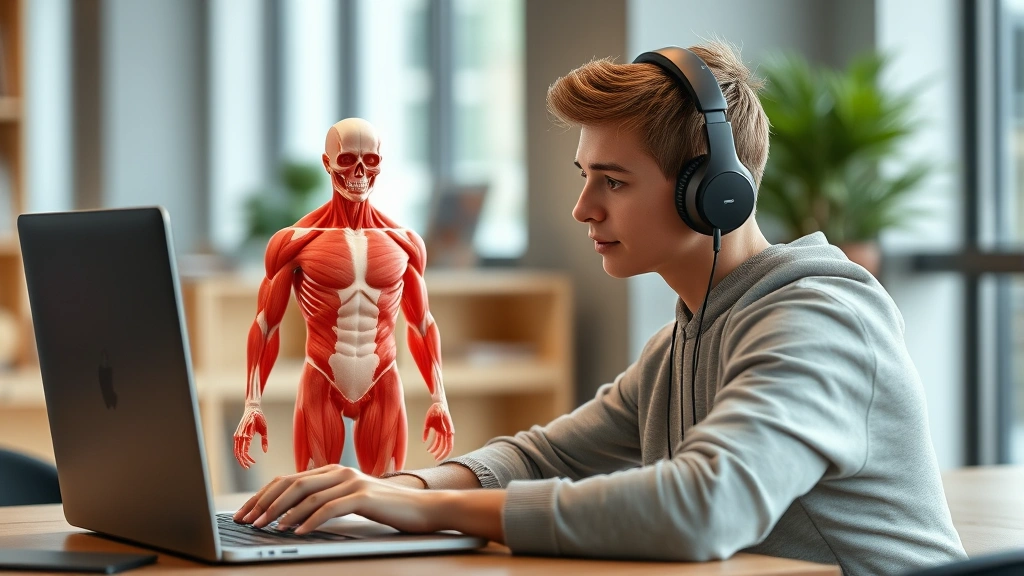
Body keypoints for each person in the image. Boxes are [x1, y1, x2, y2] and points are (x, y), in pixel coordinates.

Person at [233, 40, 968, 575]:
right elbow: (543, 455)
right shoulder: (688, 335)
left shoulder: (818, 321)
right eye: (585, 176)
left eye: (612, 181)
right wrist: (390, 489)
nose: (583, 208)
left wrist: (426, 511)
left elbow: (703, 508)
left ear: (715, 192)